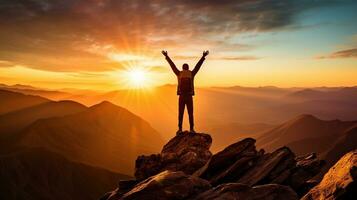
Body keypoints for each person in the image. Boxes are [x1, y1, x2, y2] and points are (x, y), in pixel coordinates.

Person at [162, 50, 209, 134]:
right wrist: (203, 57)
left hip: (182, 96)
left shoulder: (179, 73)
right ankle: (192, 129)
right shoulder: (191, 73)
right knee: (190, 113)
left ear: (183, 68)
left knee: (181, 113)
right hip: (189, 96)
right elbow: (198, 66)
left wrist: (167, 56)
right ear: (188, 67)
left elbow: (172, 66)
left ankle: (180, 129)